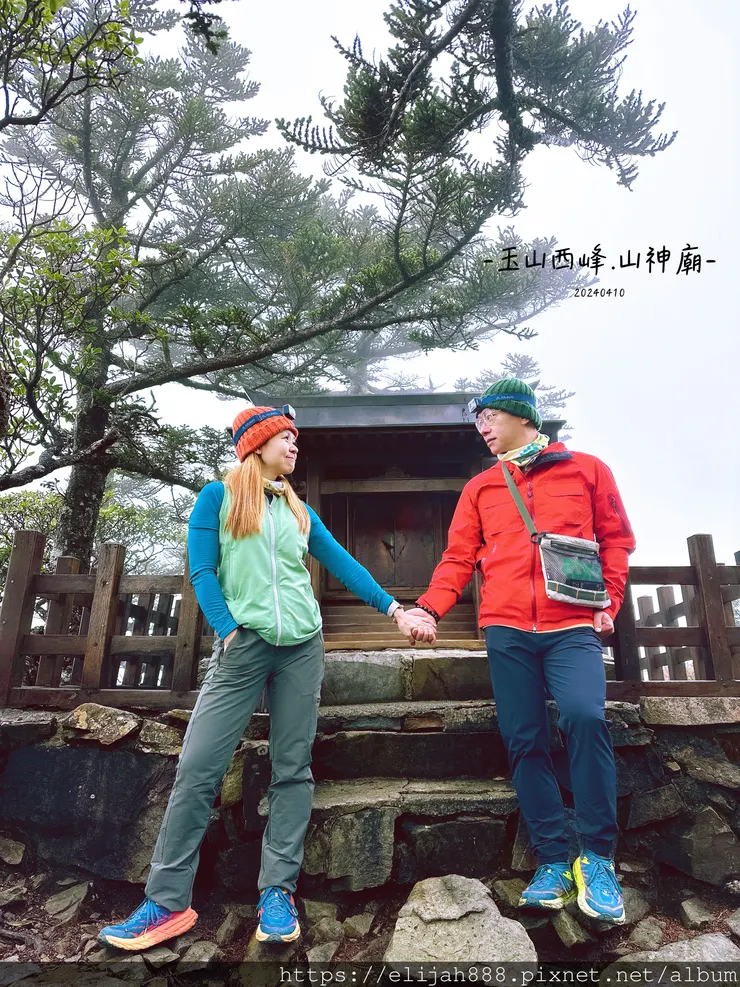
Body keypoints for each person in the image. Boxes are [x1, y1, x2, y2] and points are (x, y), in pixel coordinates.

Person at [98, 404, 434, 950]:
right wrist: (228, 629)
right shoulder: (218, 497)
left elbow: (343, 563)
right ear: (256, 444)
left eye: (297, 438)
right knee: (198, 768)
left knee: (292, 769)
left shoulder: (297, 509)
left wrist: (396, 610)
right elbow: (203, 570)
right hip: (244, 646)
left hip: (302, 647)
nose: (295, 445)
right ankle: (167, 901)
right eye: (286, 437)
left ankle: (277, 893)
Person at [405, 378, 636, 925]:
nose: (481, 428)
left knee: (584, 717)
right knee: (524, 739)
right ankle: (553, 859)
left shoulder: (587, 469)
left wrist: (610, 600)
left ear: (521, 415)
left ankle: (598, 858)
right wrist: (429, 608)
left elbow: (616, 539)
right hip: (506, 629)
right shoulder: (481, 488)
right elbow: (458, 557)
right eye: (478, 421)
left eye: (489, 417)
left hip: (571, 624)